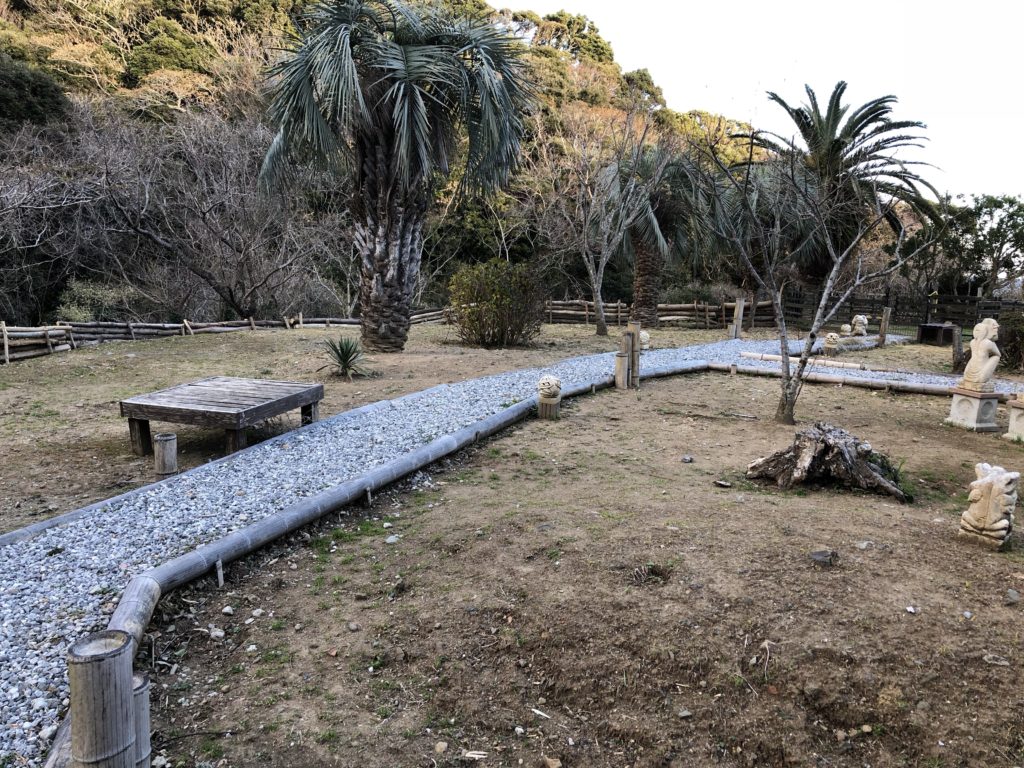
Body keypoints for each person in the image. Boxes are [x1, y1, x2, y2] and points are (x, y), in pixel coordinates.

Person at [962, 318, 1001, 390]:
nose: (997, 330)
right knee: (996, 357)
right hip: (980, 374)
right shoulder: (989, 343)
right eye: (995, 328)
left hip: (969, 372)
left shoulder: (972, 342)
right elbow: (998, 354)